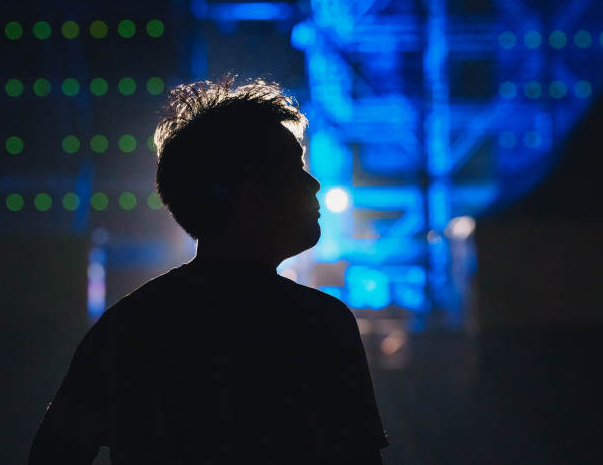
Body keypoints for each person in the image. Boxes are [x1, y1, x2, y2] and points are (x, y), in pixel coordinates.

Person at [28, 77, 389, 464]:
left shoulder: (129, 326)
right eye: (295, 168)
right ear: (252, 194)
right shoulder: (320, 324)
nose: (313, 184)